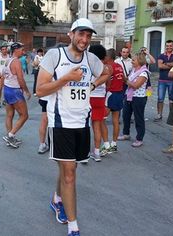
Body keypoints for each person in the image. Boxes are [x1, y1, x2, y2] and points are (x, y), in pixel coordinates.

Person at [36, 18, 109, 236]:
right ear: (71, 34)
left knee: (70, 168)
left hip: (81, 123)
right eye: (81, 34)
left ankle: (57, 199)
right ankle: (73, 226)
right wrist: (67, 78)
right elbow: (40, 90)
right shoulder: (54, 56)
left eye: (88, 36)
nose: (84, 39)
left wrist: (93, 84)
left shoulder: (91, 59)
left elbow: (106, 72)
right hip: (60, 122)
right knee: (69, 174)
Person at [2, 42, 31, 148]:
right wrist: (27, 91)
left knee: (10, 115)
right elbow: (20, 79)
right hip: (14, 90)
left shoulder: (7, 60)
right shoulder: (16, 62)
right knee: (24, 115)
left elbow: (2, 74)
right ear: (16, 50)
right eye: (21, 49)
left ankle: (10, 136)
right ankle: (10, 135)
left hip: (7, 89)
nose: (23, 51)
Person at [121, 52, 150, 147]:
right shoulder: (133, 70)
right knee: (126, 116)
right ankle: (126, 134)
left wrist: (126, 80)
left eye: (134, 60)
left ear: (139, 61)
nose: (132, 61)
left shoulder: (144, 72)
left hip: (139, 98)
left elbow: (136, 85)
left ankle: (139, 138)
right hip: (129, 96)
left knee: (138, 118)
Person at [101, 48, 125, 155]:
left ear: (108, 57)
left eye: (104, 56)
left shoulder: (108, 67)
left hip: (110, 94)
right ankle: (114, 144)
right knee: (116, 120)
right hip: (119, 94)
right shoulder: (119, 66)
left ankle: (106, 145)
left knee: (101, 120)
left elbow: (108, 84)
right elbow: (124, 79)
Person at [88, 44, 109, 161]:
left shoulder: (88, 65)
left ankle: (83, 151)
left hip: (88, 97)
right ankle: (97, 152)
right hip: (100, 98)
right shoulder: (104, 67)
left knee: (85, 125)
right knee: (97, 126)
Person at [154, 40, 173, 121]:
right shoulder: (161, 56)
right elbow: (160, 66)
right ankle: (159, 114)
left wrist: (165, 63)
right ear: (165, 46)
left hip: (172, 80)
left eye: (170, 46)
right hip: (162, 80)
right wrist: (172, 65)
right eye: (167, 46)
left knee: (172, 99)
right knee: (160, 98)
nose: (169, 47)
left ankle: (171, 115)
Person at [0, 44, 9, 108]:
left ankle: (5, 100)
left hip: (7, 75)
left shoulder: (9, 56)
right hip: (0, 74)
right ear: (1, 50)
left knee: (6, 88)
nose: (4, 50)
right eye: (3, 49)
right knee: (0, 88)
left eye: (5, 49)